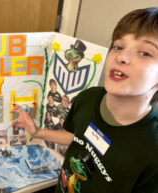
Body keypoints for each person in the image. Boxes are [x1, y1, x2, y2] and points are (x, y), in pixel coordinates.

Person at [12, 7, 158, 193]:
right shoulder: (88, 98)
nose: (121, 57)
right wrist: (38, 132)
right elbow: (78, 138)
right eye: (118, 46)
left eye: (145, 53)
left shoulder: (153, 148)